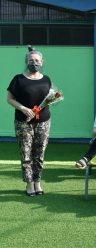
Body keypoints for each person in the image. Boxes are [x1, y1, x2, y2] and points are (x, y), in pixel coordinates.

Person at [6, 46, 52, 196]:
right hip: (23, 122)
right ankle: (29, 184)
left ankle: (38, 182)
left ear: (42, 62)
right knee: (26, 154)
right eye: (31, 60)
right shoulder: (18, 79)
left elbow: (48, 99)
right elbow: (10, 99)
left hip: (43, 122)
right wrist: (23, 108)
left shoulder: (46, 79)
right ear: (26, 61)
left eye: (37, 60)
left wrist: (51, 101)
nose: (34, 63)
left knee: (39, 154)